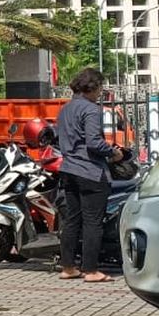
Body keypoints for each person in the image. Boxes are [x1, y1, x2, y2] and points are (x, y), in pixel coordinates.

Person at [56, 68, 125, 283]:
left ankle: (68, 267)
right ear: (92, 87)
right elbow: (94, 142)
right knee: (93, 222)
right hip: (90, 171)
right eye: (100, 88)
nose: (101, 93)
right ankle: (91, 270)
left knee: (72, 220)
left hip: (68, 169)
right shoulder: (91, 110)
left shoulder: (65, 110)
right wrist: (113, 152)